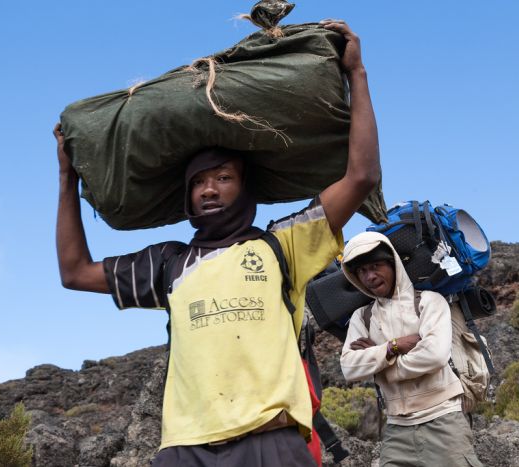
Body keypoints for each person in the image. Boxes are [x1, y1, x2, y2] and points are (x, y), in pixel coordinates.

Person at [54, 20, 380, 467]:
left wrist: (357, 75)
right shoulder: (168, 264)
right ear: (187, 196)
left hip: (272, 442)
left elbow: (361, 176)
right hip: (185, 448)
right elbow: (74, 272)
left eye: (223, 178)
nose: (209, 190)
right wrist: (66, 178)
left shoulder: (283, 246)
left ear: (245, 187)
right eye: (199, 183)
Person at [339, 231, 483, 467]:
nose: (370, 276)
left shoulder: (429, 301)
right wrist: (394, 346)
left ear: (393, 263)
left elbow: (434, 355)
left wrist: (380, 363)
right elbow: (349, 368)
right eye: (362, 271)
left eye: (376, 266)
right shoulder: (362, 318)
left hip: (444, 420)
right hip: (397, 429)